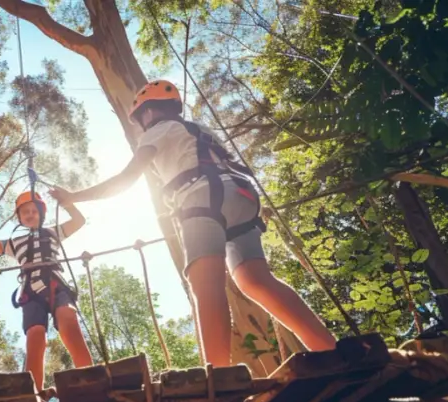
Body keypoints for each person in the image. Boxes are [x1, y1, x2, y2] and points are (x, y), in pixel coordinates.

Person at [50, 80, 336, 367]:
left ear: (146, 114)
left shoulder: (158, 132)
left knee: (206, 283)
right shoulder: (201, 130)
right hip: (241, 196)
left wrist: (74, 196)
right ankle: (328, 348)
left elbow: (126, 179)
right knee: (255, 280)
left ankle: (219, 374)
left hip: (201, 198)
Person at [0, 190, 93, 393]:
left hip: (56, 285)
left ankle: (91, 378)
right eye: (25, 212)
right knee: (35, 337)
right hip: (31, 293)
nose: (30, 214)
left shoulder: (53, 232)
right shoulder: (14, 243)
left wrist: (67, 202)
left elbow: (79, 220)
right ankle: (36, 393)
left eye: (33, 211)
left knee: (68, 321)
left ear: (41, 214)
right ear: (19, 218)